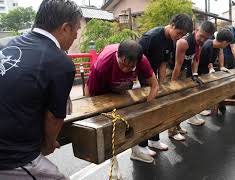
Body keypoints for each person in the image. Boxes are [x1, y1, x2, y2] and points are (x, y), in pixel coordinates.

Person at [0, 0, 82, 179]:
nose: (76, 35)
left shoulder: (10, 44)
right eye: (76, 29)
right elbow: (54, 118)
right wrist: (50, 143)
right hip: (12, 156)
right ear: (66, 28)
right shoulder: (61, 63)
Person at [86, 40, 163, 164]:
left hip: (123, 88)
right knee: (111, 126)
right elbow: (89, 93)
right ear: (117, 55)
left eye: (131, 67)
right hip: (102, 92)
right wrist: (92, 117)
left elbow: (154, 85)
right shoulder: (102, 64)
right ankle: (113, 161)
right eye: (123, 64)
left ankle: (136, 150)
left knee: (131, 117)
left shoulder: (142, 60)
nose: (126, 69)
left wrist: (147, 110)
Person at [139, 14, 193, 141]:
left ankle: (154, 140)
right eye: (178, 33)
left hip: (153, 78)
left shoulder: (171, 41)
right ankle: (140, 147)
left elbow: (163, 63)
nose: (179, 37)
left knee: (156, 108)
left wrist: (161, 83)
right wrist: (150, 81)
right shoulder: (151, 37)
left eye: (182, 35)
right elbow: (137, 59)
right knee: (145, 111)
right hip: (143, 77)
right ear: (172, 25)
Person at [168, 20, 215, 141]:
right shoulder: (184, 42)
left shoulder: (199, 43)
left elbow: (196, 59)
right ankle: (172, 131)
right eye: (202, 36)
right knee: (174, 102)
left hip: (184, 71)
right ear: (197, 30)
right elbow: (177, 65)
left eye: (206, 38)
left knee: (183, 101)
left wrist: (194, 74)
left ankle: (177, 127)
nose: (203, 40)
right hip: (172, 71)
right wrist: (173, 85)